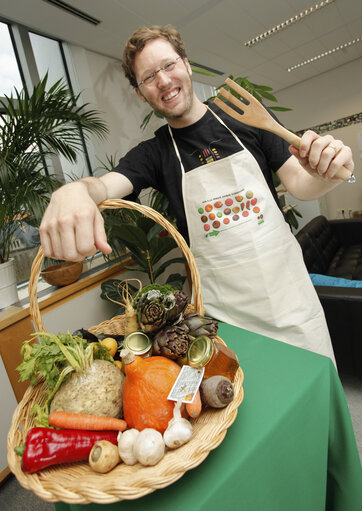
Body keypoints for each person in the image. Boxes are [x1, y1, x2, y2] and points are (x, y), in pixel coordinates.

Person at [40, 25, 355, 364]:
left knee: (317, 394)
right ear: (140, 93)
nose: (162, 80)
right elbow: (104, 186)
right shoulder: (155, 154)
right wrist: (75, 190)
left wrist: (327, 173)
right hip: (228, 318)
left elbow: (300, 183)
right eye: (148, 77)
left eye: (169, 65)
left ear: (187, 65)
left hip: (291, 300)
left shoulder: (246, 119)